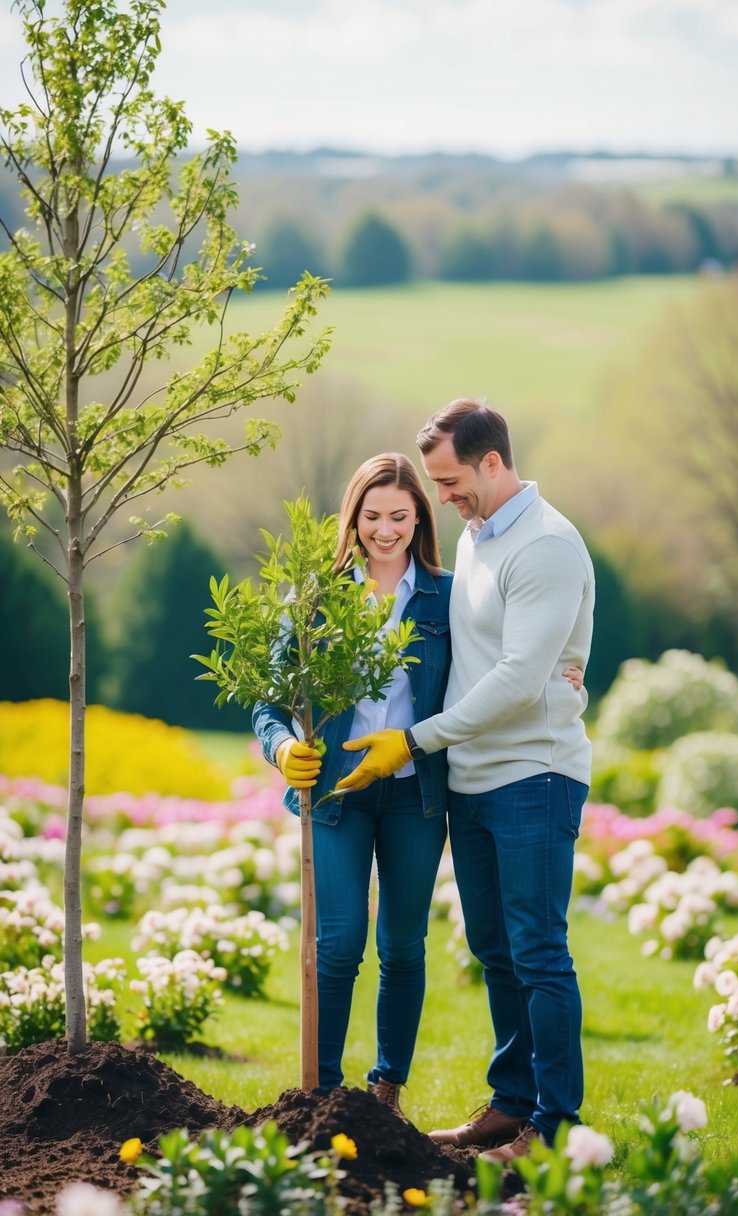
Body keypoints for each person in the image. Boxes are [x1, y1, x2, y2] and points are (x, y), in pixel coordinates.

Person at [335, 399, 595, 1160]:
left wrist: (414, 741)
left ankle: (553, 1127)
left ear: (491, 462)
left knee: (538, 949)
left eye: (449, 480)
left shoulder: (543, 545)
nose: (440, 497)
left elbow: (518, 679)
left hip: (532, 777)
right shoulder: (482, 538)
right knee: (495, 948)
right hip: (474, 780)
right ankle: (511, 1105)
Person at [252, 452, 452, 1114]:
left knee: (401, 946)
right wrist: (281, 748)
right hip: (334, 795)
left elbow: (501, 666)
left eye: (399, 515)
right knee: (337, 946)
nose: (385, 530)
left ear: (419, 515)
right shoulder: (314, 599)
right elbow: (268, 702)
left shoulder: (446, 598)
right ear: (352, 518)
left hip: (412, 795)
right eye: (372, 516)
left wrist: (563, 667)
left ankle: (386, 1090)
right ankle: (324, 1096)